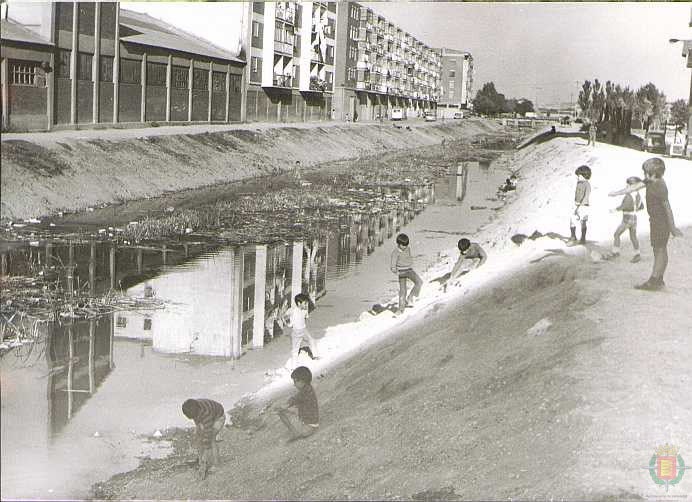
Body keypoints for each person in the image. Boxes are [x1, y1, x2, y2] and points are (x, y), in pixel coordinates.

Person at [609, 158, 682, 291]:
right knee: (659, 249)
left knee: (659, 250)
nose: (644, 176)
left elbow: (668, 208)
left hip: (660, 223)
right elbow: (636, 186)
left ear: (654, 174)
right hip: (655, 221)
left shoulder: (660, 187)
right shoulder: (652, 180)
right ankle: (658, 279)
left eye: (646, 173)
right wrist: (617, 193)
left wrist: (673, 228)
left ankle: (654, 281)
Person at [181, 398, 226, 480]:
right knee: (199, 436)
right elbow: (197, 422)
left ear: (196, 412)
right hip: (209, 414)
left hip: (218, 417)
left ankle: (217, 464)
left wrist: (205, 455)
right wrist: (199, 433)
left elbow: (207, 437)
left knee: (211, 439)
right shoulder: (193, 406)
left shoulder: (206, 414)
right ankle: (200, 461)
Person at [276, 366, 319, 442]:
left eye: (295, 381)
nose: (294, 384)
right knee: (292, 409)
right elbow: (296, 399)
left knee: (281, 412)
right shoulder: (309, 388)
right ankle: (299, 430)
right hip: (314, 423)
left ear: (302, 381)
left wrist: (283, 407)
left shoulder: (303, 392)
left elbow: (294, 399)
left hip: (308, 428)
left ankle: (295, 432)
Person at [611, 176, 644, 263]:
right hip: (634, 218)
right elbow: (641, 207)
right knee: (633, 236)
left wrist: (615, 210)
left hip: (627, 218)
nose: (626, 187)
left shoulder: (628, 196)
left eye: (627, 186)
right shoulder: (638, 195)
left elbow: (624, 206)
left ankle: (615, 252)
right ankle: (637, 254)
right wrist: (635, 208)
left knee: (617, 234)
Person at [390, 233, 423, 313]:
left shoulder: (408, 248)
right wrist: (395, 271)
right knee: (403, 290)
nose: (405, 247)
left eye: (406, 245)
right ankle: (400, 309)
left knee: (419, 282)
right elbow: (392, 265)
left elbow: (408, 257)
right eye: (403, 245)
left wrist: (411, 263)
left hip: (409, 270)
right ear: (399, 244)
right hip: (401, 272)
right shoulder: (395, 252)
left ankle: (410, 297)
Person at [285, 293, 318, 367]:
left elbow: (304, 319)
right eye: (305, 303)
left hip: (303, 330)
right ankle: (293, 366)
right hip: (296, 332)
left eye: (307, 303)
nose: (306, 305)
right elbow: (285, 315)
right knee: (295, 349)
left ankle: (315, 356)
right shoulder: (292, 310)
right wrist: (289, 324)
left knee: (311, 341)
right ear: (299, 303)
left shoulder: (305, 310)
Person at [569, 165, 592, 245]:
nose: (577, 177)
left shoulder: (587, 185)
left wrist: (580, 207)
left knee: (583, 222)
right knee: (572, 220)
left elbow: (586, 196)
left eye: (579, 176)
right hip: (576, 205)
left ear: (585, 175)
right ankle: (573, 237)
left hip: (584, 206)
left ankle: (583, 238)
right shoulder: (579, 183)